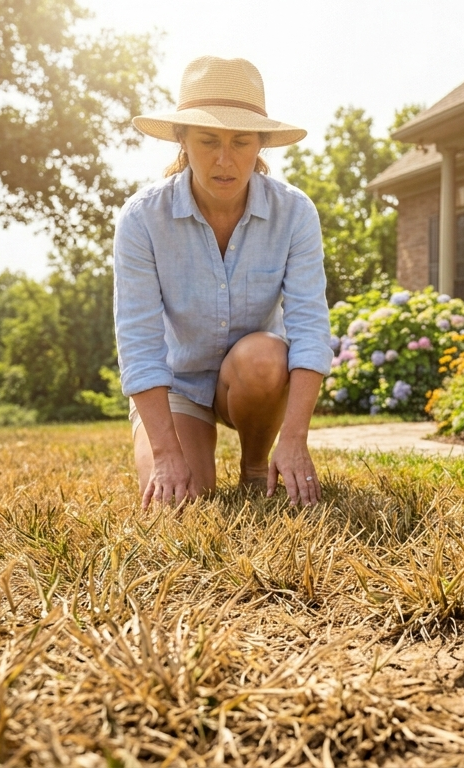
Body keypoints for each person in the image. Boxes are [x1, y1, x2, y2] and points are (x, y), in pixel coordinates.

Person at [114, 56, 332, 509]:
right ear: (182, 139)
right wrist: (166, 454)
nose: (224, 160)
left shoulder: (294, 213)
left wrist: (294, 438)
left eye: (241, 142)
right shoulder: (141, 219)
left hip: (253, 380)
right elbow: (138, 341)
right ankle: (188, 448)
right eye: (208, 140)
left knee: (265, 355)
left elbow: (310, 327)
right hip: (179, 384)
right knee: (177, 504)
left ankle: (255, 468)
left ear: (261, 145)